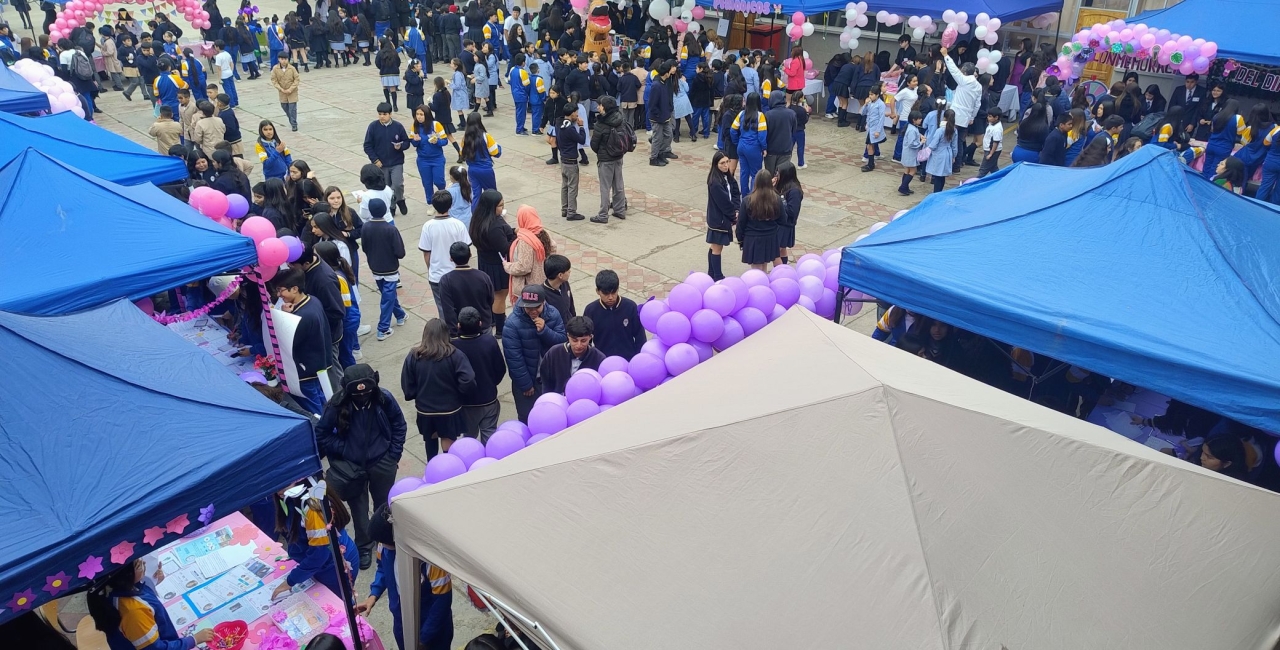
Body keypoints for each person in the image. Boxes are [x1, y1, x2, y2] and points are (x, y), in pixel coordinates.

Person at [316, 363, 405, 569]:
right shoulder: (336, 406)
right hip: (352, 467)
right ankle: (364, 546)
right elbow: (322, 434)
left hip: (383, 463)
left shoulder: (384, 398)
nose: (363, 397)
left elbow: (399, 424)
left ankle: (386, 540)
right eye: (357, 394)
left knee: (383, 505)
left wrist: (393, 455)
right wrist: (345, 449)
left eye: (367, 392)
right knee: (359, 509)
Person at [358, 504, 454, 650]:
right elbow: (382, 569)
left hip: (432, 632)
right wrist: (374, 594)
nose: (382, 546)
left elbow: (442, 604)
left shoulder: (432, 562)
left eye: (386, 544)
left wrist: (423, 640)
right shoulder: (384, 546)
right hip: (401, 624)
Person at [88, 559, 215, 650]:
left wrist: (153, 581)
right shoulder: (134, 612)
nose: (144, 563)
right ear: (126, 576)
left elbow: (141, 595)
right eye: (138, 566)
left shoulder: (112, 587)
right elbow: (154, 648)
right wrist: (194, 640)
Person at [402, 318, 476, 458]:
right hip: (449, 410)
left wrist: (416, 394)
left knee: (430, 439)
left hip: (425, 411)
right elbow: (469, 380)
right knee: (448, 441)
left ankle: (433, 466)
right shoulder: (455, 355)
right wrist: (459, 393)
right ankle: (447, 467)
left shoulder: (414, 356)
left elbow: (408, 386)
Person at [272, 267, 332, 414]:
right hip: (317, 364)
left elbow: (287, 343)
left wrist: (284, 318)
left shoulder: (301, 317)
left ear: (294, 289)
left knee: (314, 410)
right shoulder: (313, 300)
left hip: (305, 371)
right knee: (322, 401)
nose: (279, 295)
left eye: (281, 290)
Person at [503, 285, 566, 421]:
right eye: (528, 308)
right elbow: (514, 358)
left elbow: (562, 342)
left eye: (536, 307)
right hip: (528, 383)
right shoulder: (513, 324)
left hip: (551, 379)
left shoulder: (553, 314)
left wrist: (545, 330)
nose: (532, 311)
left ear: (543, 303)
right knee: (528, 418)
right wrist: (525, 384)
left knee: (553, 416)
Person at [451, 304, 505, 443]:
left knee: (469, 441)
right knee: (490, 439)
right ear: (480, 323)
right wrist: (491, 383)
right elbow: (500, 369)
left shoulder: (454, 348)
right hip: (489, 399)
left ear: (459, 325)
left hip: (466, 403)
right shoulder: (489, 341)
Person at [469, 189, 516, 336]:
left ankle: (494, 319)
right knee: (499, 297)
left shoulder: (478, 219)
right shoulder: (494, 227)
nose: (502, 208)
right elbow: (505, 248)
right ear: (491, 207)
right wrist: (516, 238)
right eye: (500, 205)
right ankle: (501, 329)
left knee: (492, 295)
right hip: (498, 266)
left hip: (485, 262)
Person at [360, 198, 407, 341]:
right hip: (390, 269)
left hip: (375, 267)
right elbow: (400, 252)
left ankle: (400, 315)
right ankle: (383, 328)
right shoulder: (391, 229)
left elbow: (365, 248)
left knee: (388, 295)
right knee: (387, 297)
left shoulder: (366, 227)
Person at [418, 190, 471, 309]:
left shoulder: (428, 226)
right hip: (458, 274)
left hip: (437, 276)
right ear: (451, 205)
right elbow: (466, 249)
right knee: (461, 307)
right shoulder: (458, 225)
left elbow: (426, 253)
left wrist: (430, 269)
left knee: (443, 310)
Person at [363, 102, 410, 216]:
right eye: (380, 114)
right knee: (386, 187)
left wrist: (400, 146)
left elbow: (407, 142)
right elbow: (367, 145)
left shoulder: (398, 126)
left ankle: (397, 202)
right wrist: (375, 160)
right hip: (381, 164)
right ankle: (394, 203)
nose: (382, 116)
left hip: (396, 162)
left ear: (390, 114)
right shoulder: (373, 127)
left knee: (397, 184)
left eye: (384, 114)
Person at [939, 46, 981, 170]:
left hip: (956, 115)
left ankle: (954, 164)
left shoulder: (964, 80)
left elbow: (953, 70)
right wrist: (972, 116)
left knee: (954, 140)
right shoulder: (978, 86)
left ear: (963, 71)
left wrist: (946, 55)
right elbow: (977, 104)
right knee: (961, 140)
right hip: (967, 116)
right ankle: (958, 164)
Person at [539, 315, 605, 394]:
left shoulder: (599, 359)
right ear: (568, 336)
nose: (578, 345)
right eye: (574, 340)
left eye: (583, 341)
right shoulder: (553, 354)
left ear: (590, 337)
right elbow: (546, 383)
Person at [438, 242, 495, 334]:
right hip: (483, 325)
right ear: (470, 255)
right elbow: (491, 299)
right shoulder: (483, 277)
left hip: (461, 330)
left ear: (451, 259)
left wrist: (453, 331)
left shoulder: (446, 281)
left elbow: (448, 309)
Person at [591, 95, 629, 224]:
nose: (598, 107)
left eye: (600, 105)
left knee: (605, 187)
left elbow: (594, 145)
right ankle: (619, 210)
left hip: (605, 159)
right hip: (618, 156)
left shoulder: (601, 125)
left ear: (605, 108)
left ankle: (603, 215)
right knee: (618, 184)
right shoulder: (621, 119)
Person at [503, 205, 555, 299]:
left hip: (528, 290)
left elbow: (524, 267)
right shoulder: (544, 233)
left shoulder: (525, 241)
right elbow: (553, 251)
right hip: (544, 283)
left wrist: (508, 266)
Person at [705, 150, 739, 280]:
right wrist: (733, 215)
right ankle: (717, 276)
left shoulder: (728, 176)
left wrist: (737, 207)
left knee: (714, 246)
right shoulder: (715, 181)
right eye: (722, 163)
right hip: (718, 219)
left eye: (727, 162)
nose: (725, 165)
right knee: (717, 247)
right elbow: (723, 202)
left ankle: (711, 273)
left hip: (726, 216)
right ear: (716, 164)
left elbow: (736, 192)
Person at [460, 112, 503, 213]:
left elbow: (462, 153)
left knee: (476, 195)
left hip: (472, 170)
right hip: (485, 170)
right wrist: (499, 147)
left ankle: (475, 217)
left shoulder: (465, 138)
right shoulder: (486, 136)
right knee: (492, 194)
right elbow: (495, 152)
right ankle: (494, 214)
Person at [409, 103, 450, 198]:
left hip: (437, 158)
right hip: (423, 160)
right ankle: (431, 202)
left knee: (439, 181)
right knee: (427, 183)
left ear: (427, 115)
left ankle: (444, 199)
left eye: (421, 114)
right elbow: (413, 143)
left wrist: (437, 141)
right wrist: (416, 141)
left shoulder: (436, 125)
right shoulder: (415, 126)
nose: (419, 117)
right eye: (417, 114)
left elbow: (445, 140)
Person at [730, 92, 767, 196]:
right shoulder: (760, 116)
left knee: (743, 172)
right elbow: (762, 135)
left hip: (741, 146)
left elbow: (733, 130)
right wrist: (764, 147)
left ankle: (744, 196)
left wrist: (737, 142)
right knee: (756, 173)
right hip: (754, 148)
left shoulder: (741, 114)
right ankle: (753, 196)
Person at [556, 104, 586, 220]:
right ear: (572, 113)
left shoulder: (559, 123)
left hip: (563, 158)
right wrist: (581, 127)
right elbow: (581, 140)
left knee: (565, 186)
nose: (577, 115)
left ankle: (564, 209)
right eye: (576, 112)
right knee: (572, 187)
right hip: (571, 161)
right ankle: (571, 212)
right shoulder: (570, 128)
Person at [648, 61, 675, 167]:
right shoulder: (656, 85)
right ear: (666, 73)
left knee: (668, 135)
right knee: (657, 138)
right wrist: (658, 115)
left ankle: (662, 152)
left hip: (665, 116)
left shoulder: (665, 82)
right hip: (657, 118)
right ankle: (653, 158)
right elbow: (652, 104)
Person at [925, 109, 959, 191]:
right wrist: (954, 156)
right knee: (942, 176)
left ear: (944, 117)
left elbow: (933, 144)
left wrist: (927, 149)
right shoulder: (954, 130)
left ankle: (936, 193)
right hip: (948, 152)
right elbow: (954, 146)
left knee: (937, 176)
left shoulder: (940, 130)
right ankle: (939, 191)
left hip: (938, 153)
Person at [774, 161, 801, 265]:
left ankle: (780, 272)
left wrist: (779, 200)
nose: (776, 175)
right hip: (780, 222)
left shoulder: (794, 191)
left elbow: (793, 211)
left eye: (778, 173)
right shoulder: (782, 186)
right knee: (782, 249)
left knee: (775, 252)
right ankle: (784, 266)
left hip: (785, 224)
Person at [270, 51, 300, 131]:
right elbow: (274, 80)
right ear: (279, 59)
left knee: (292, 109)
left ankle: (294, 124)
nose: (284, 61)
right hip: (282, 92)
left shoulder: (292, 68)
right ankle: (291, 119)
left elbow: (297, 79)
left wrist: (291, 89)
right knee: (284, 106)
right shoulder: (275, 69)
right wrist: (280, 89)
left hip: (292, 91)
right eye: (282, 59)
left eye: (285, 59)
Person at [860, 85, 886, 172]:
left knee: (870, 146)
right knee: (869, 146)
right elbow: (862, 113)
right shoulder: (870, 103)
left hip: (875, 128)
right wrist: (865, 104)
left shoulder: (881, 104)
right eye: (869, 94)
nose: (870, 96)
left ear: (877, 95)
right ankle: (871, 163)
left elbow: (882, 118)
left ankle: (871, 164)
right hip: (870, 128)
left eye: (872, 94)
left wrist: (878, 131)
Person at [977, 106, 1004, 178]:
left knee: (983, 170)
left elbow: (996, 142)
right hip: (989, 150)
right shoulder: (991, 124)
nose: (988, 118)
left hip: (992, 151)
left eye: (990, 116)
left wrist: (990, 154)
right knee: (993, 168)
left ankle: (975, 183)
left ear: (996, 117)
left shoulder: (997, 129)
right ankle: (1000, 179)